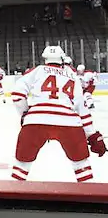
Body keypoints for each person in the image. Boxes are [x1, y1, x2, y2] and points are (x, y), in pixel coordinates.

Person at [10, 46, 106, 182]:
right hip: (69, 121)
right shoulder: (72, 75)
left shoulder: (37, 71)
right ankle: (90, 198)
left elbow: (17, 94)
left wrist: (25, 113)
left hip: (36, 120)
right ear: (62, 59)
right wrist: (92, 134)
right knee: (81, 165)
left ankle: (12, 198)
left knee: (21, 165)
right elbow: (81, 107)